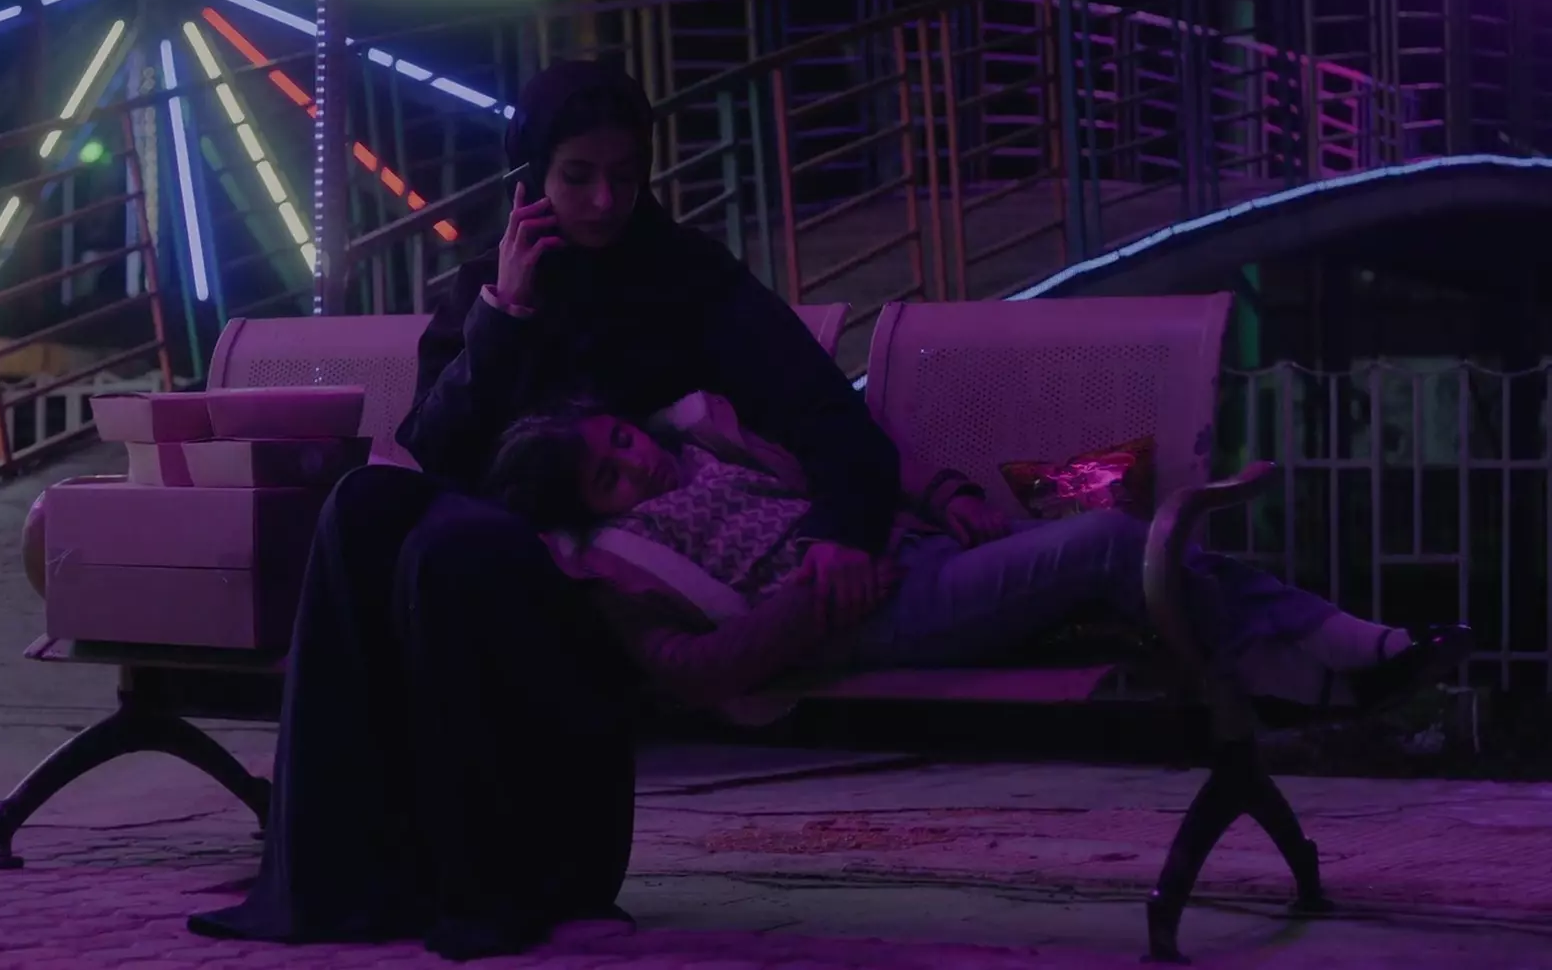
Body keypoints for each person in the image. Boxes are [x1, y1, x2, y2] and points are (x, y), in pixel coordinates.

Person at [187, 60, 904, 960]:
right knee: (364, 500)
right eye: (578, 176)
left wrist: (843, 529)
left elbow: (825, 412)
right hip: (488, 538)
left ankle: (497, 887)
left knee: (451, 548)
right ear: (531, 176)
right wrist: (506, 312)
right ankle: (330, 877)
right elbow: (435, 446)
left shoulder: (688, 278)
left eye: (625, 176)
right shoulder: (490, 284)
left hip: (600, 557)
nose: (604, 201)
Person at [481, 398, 1474, 713]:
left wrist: (942, 493)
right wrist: (818, 598)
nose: (636, 462)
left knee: (1137, 547)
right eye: (608, 475)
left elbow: (851, 448)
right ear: (586, 511)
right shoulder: (622, 560)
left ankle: (1314, 668)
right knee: (1110, 544)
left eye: (623, 438)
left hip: (920, 553)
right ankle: (1329, 653)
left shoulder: (712, 440)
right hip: (874, 610)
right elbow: (693, 671)